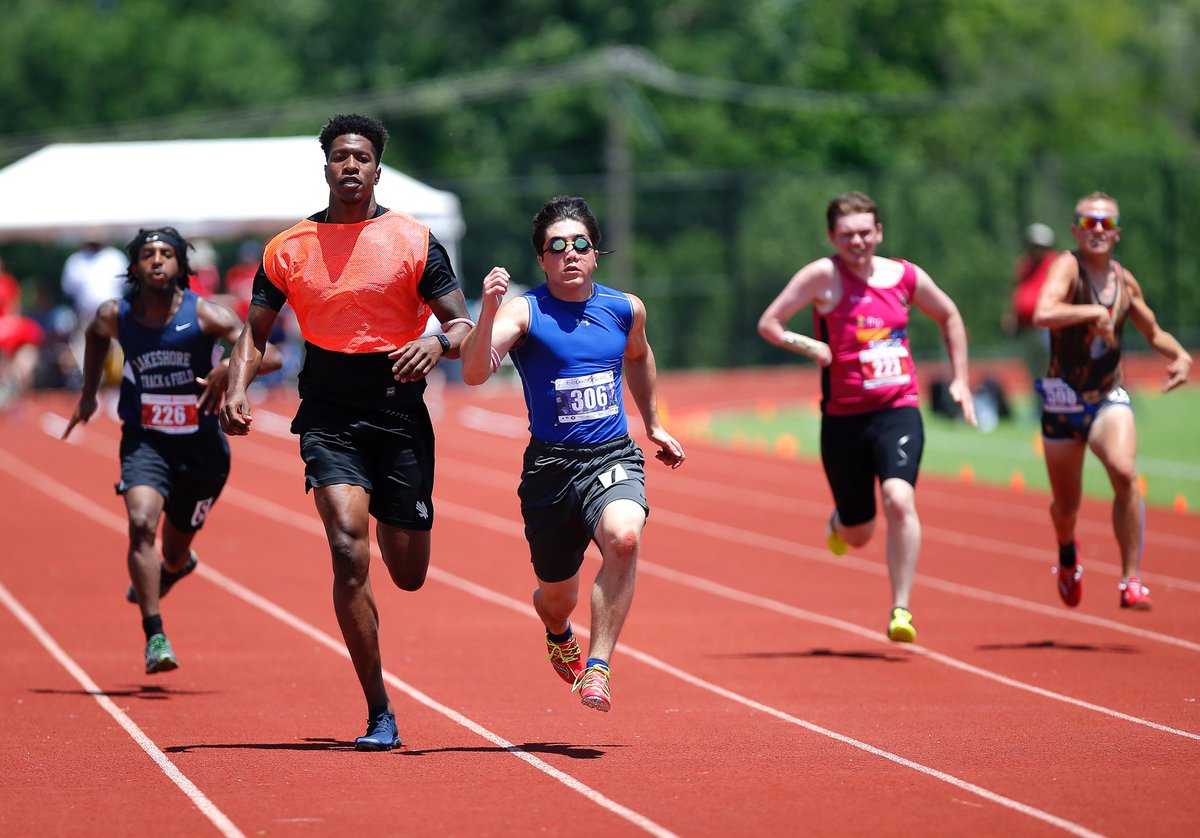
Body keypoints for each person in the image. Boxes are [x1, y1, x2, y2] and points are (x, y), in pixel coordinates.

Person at [221, 114, 473, 752]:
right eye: (340, 157)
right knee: (345, 548)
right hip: (329, 413)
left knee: (408, 572)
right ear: (327, 167)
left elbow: (463, 325)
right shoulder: (288, 249)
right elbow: (254, 333)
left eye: (361, 157)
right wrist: (236, 386)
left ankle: (395, 514)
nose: (351, 166)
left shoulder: (414, 240)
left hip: (398, 412)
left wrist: (437, 342)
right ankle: (379, 709)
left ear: (377, 169)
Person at [459, 195, 685, 713]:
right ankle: (558, 630)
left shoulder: (625, 309)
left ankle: (599, 667)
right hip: (551, 469)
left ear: (595, 252)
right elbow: (473, 373)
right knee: (558, 597)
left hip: (611, 455)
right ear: (541, 259)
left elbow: (639, 355)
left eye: (580, 244)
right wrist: (488, 308)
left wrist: (653, 424)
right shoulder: (525, 311)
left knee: (625, 538)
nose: (570, 254)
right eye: (556, 247)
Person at [757, 191, 976, 644]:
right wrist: (811, 346)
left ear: (879, 232)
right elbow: (770, 324)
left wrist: (960, 379)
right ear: (832, 237)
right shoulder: (823, 276)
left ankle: (901, 609)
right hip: (844, 419)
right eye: (846, 235)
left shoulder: (905, 276)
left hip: (898, 409)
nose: (857, 242)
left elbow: (949, 314)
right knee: (859, 533)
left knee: (899, 498)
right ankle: (841, 523)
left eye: (864, 233)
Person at [61, 227, 281, 674]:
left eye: (166, 254)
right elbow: (95, 336)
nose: (157, 260)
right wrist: (88, 395)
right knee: (142, 524)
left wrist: (228, 366)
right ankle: (154, 634)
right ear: (134, 266)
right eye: (148, 254)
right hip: (146, 441)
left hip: (202, 452)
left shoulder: (206, 315)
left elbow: (270, 355)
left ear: (181, 265)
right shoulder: (116, 314)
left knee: (175, 552)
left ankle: (176, 567)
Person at [1032, 192, 1191, 611]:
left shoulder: (1124, 281)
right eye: (1089, 223)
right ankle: (1068, 553)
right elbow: (1043, 311)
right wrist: (1091, 313)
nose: (1098, 230)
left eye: (1106, 223)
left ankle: (1131, 580)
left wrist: (1180, 356)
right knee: (1066, 507)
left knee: (1124, 472)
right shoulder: (1068, 267)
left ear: (1118, 232)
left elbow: (1153, 331)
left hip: (1107, 395)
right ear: (1075, 230)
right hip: (1063, 400)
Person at [1004, 222, 1058, 400]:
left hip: (1049, 326)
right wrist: (1011, 315)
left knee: (1052, 367)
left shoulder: (1056, 263)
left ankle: (1058, 404)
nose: (1035, 250)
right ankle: (1040, 405)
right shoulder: (1024, 264)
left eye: (1039, 246)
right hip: (1027, 327)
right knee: (1034, 370)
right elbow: (1016, 291)